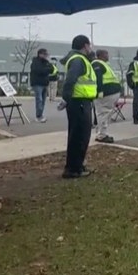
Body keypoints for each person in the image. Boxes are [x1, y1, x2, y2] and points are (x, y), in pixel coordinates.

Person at [61, 35, 97, 178]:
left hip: (81, 101)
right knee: (79, 136)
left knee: (79, 135)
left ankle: (76, 166)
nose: (91, 48)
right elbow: (70, 80)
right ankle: (73, 169)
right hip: (79, 102)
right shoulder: (78, 60)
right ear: (85, 46)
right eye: (90, 45)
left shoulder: (79, 59)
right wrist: (66, 98)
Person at [91, 49, 123, 144]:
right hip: (105, 94)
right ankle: (102, 135)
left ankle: (101, 133)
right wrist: (100, 92)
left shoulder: (103, 64)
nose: (107, 56)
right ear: (100, 55)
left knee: (104, 114)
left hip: (109, 93)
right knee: (103, 114)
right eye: (106, 54)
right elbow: (98, 78)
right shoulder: (97, 64)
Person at [29, 48, 55, 123]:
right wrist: (46, 69)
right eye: (45, 54)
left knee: (43, 100)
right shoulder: (35, 62)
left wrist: (49, 65)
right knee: (39, 99)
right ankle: (38, 116)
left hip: (45, 83)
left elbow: (52, 69)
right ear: (40, 54)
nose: (46, 56)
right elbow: (39, 70)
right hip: (37, 83)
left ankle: (40, 114)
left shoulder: (47, 62)